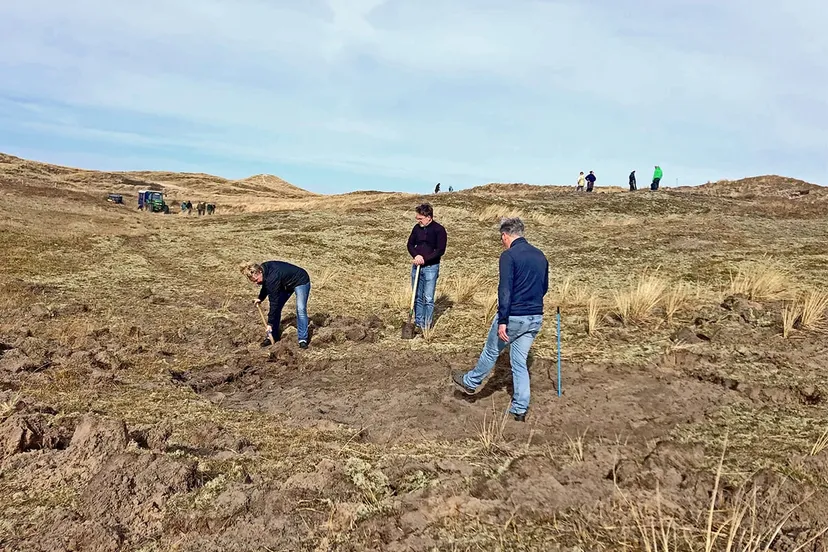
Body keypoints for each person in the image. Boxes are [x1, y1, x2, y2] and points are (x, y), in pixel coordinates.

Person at [452, 217, 548, 421]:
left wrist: (503, 319)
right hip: (535, 317)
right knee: (520, 362)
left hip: (514, 315)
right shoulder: (540, 255)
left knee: (491, 350)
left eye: (501, 238)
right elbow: (544, 287)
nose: (502, 241)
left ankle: (470, 382)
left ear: (505, 235)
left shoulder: (508, 256)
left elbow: (504, 290)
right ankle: (520, 409)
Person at [239, 261, 311, 349]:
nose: (256, 283)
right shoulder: (264, 271)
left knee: (301, 309)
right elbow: (265, 285)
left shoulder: (272, 277)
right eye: (254, 281)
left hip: (300, 281)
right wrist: (260, 298)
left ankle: (302, 339)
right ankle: (272, 336)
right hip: (285, 284)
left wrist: (270, 324)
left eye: (256, 280)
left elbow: (274, 303)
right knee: (277, 308)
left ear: (259, 272)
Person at [406, 203, 447, 331]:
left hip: (431, 268)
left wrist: (425, 259)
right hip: (417, 266)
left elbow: (440, 250)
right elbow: (410, 244)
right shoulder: (416, 228)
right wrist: (416, 256)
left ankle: (427, 325)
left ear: (429, 217)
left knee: (428, 298)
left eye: (420, 219)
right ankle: (418, 323)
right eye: (417, 218)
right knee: (417, 296)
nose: (418, 221)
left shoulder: (439, 230)